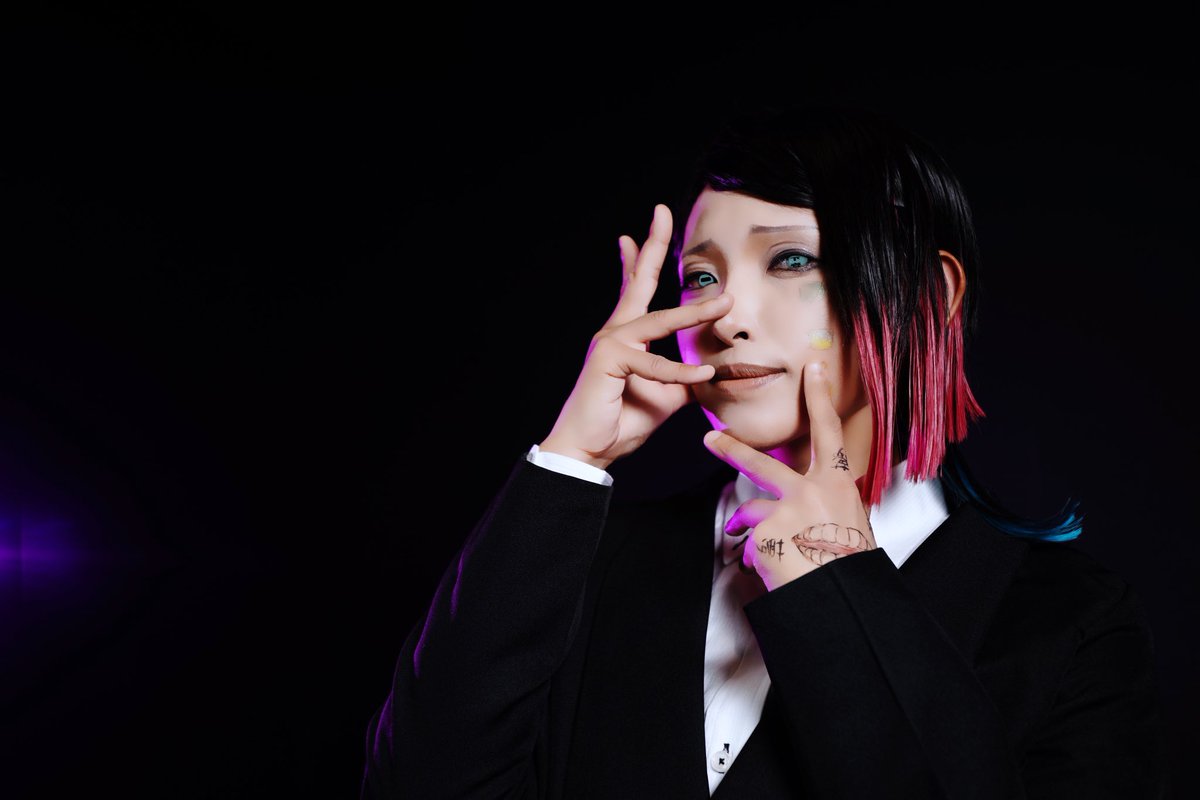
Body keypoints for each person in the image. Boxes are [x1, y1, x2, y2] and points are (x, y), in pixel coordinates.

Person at [358, 105, 1170, 798]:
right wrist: (572, 456)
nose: (726, 317)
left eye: (790, 260)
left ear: (930, 293)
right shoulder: (595, 561)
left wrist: (836, 588)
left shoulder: (1069, 623)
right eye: (700, 278)